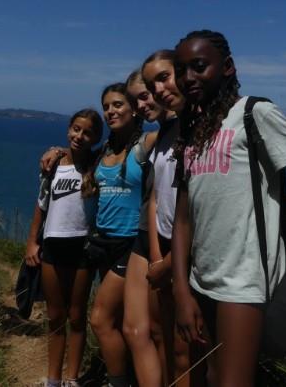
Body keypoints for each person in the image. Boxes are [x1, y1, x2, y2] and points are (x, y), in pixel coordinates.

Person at [171, 30, 286, 387]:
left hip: (244, 278)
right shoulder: (194, 129)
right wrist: (181, 290)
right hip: (201, 278)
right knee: (208, 377)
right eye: (181, 70)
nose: (188, 78)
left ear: (227, 67)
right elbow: (183, 219)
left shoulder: (255, 113)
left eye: (199, 66)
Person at [24, 109, 103, 387]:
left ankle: (72, 379)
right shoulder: (54, 164)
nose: (80, 136)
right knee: (56, 316)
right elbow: (41, 204)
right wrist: (32, 242)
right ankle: (53, 379)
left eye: (88, 132)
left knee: (77, 315)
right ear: (69, 129)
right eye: (76, 129)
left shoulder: (97, 164)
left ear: (96, 138)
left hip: (82, 246)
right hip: (53, 244)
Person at [88, 82, 156, 387]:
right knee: (119, 319)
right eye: (106, 107)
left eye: (117, 105)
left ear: (134, 109)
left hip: (132, 244)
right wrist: (58, 151)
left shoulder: (147, 142)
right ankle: (127, 375)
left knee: (100, 319)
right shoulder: (105, 150)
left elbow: (176, 134)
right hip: (104, 241)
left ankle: (118, 383)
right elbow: (80, 160)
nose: (110, 111)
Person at [140, 49, 194, 386]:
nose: (158, 90)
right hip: (163, 247)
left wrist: (170, 262)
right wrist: (157, 258)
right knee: (163, 336)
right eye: (151, 85)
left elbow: (207, 208)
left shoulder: (205, 129)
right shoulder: (165, 134)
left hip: (190, 253)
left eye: (164, 77)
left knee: (186, 348)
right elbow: (157, 197)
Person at [122, 65, 174, 387]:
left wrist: (163, 258)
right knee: (136, 329)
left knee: (164, 335)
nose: (141, 106)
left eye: (145, 96)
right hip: (148, 236)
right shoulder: (158, 136)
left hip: (169, 242)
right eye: (136, 101)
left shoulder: (181, 130)